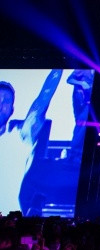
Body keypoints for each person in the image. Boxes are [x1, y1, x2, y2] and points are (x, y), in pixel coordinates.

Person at [0, 70, 63, 215]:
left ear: (12, 110)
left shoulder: (19, 136)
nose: (1, 104)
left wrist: (60, 65)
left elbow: (43, 99)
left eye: (6, 101)